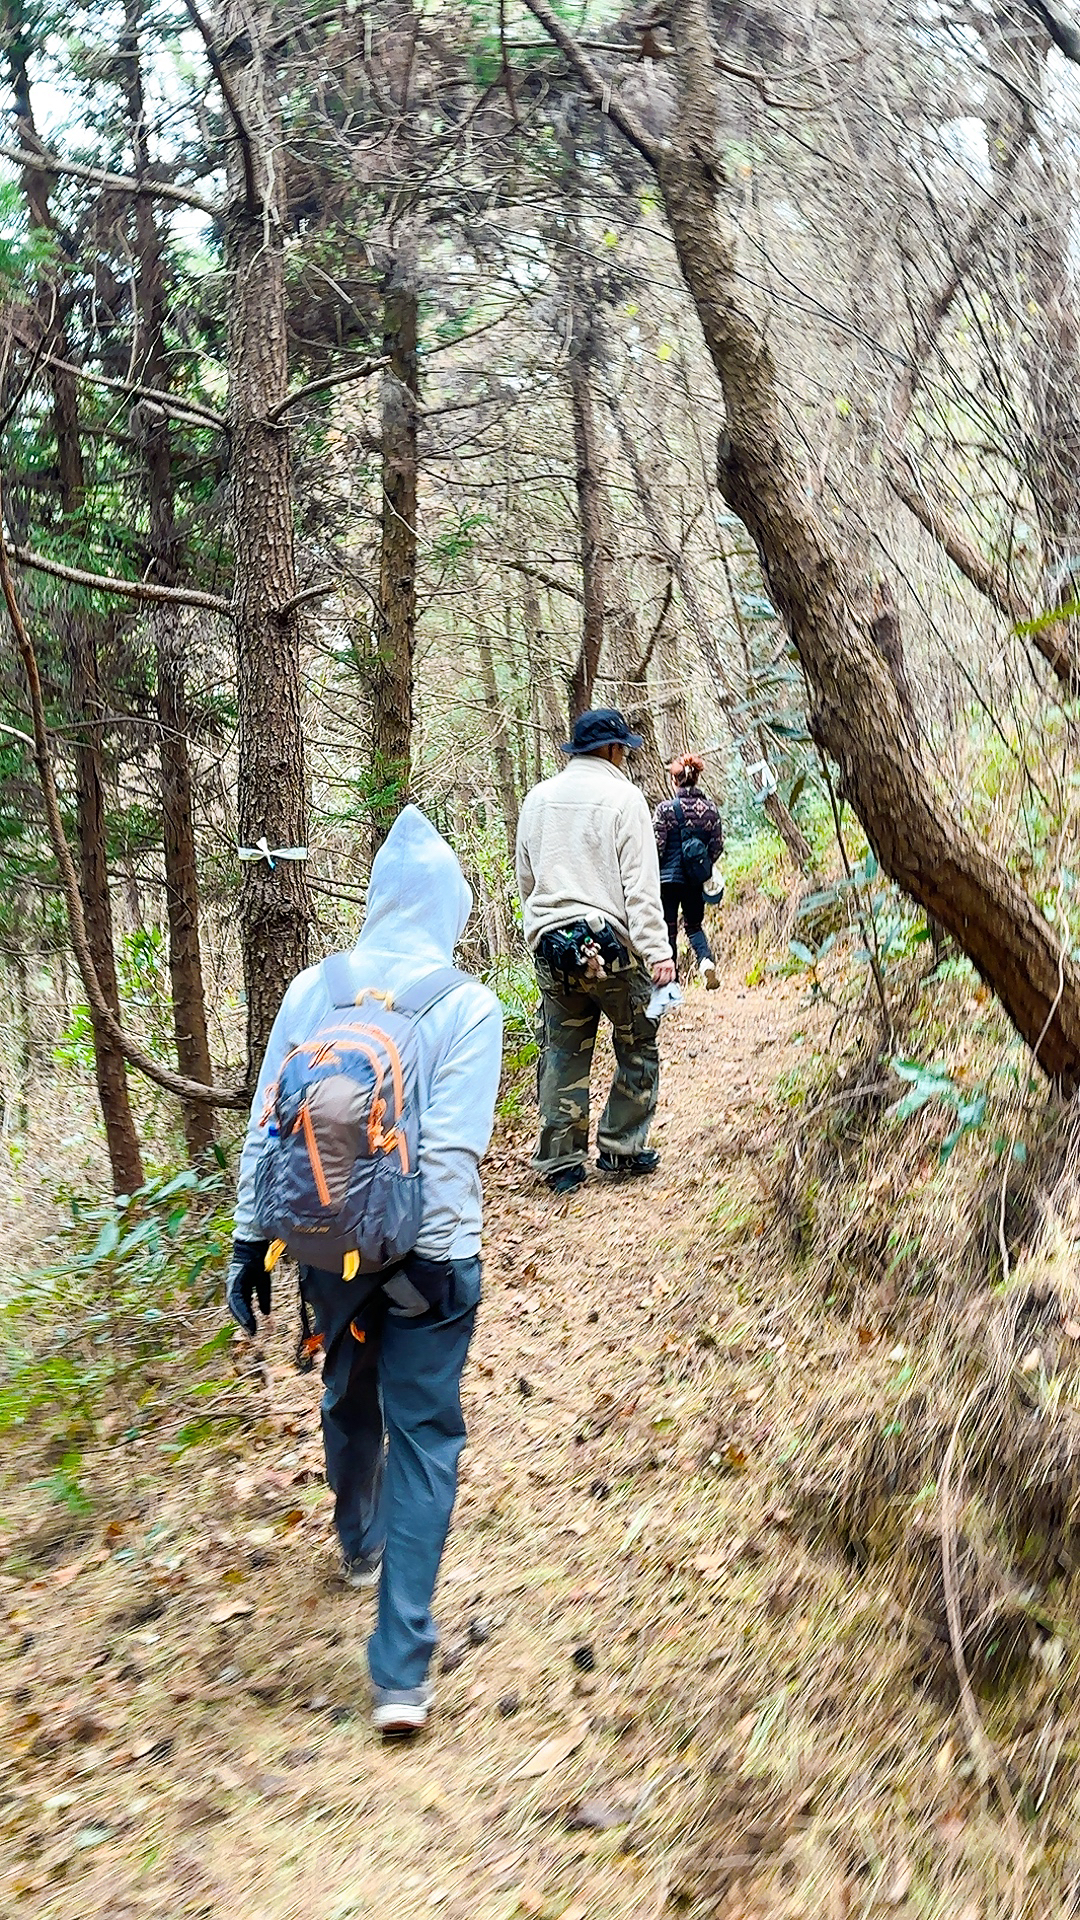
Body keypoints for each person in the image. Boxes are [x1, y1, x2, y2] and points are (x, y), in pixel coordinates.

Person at [225, 807, 502, 1737]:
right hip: (426, 1257)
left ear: (381, 903)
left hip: (325, 1246)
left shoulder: (313, 988)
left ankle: (357, 1541)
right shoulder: (466, 1003)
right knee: (425, 1435)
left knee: (348, 1388)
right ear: (450, 911)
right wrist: (436, 1267)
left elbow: (269, 1122)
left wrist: (246, 1243)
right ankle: (399, 1676)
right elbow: (455, 1157)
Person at [515, 707, 676, 1197]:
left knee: (563, 1048)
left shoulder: (537, 798)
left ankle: (562, 1161)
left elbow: (526, 877)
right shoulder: (625, 799)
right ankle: (621, 1146)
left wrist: (539, 929)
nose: (626, 755)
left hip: (552, 946)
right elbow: (641, 889)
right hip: (612, 946)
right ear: (610, 750)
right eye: (623, 747)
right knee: (637, 1042)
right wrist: (659, 953)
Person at [653, 753, 724, 990]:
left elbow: (657, 846)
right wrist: (701, 867)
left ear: (675, 782)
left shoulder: (664, 810)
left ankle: (672, 984)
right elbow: (717, 845)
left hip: (668, 881)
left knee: (669, 929)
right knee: (694, 926)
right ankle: (705, 961)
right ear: (697, 779)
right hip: (695, 880)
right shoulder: (711, 809)